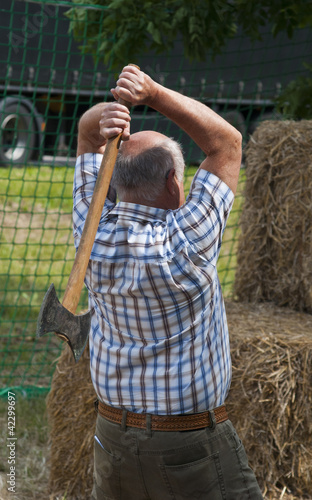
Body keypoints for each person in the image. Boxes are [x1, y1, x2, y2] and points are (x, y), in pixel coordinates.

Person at [74, 65, 263, 500]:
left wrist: (100, 119)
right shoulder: (189, 240)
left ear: (116, 184)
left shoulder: (92, 233)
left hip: (113, 438)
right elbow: (227, 143)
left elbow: (87, 141)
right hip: (189, 442)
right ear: (176, 182)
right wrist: (153, 93)